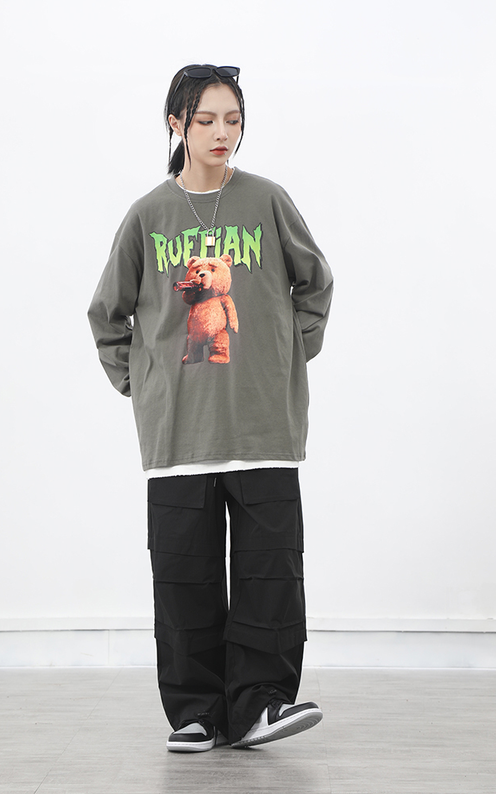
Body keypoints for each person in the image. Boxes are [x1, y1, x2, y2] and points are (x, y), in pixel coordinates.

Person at [88, 64, 333, 752]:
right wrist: (146, 385)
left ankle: (260, 707)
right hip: (178, 434)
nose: (222, 132)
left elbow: (315, 285)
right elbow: (107, 314)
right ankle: (196, 713)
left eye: (233, 119)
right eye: (206, 120)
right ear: (177, 125)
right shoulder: (149, 214)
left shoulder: (267, 201)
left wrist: (283, 358)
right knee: (183, 577)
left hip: (263, 426)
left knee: (269, 574)